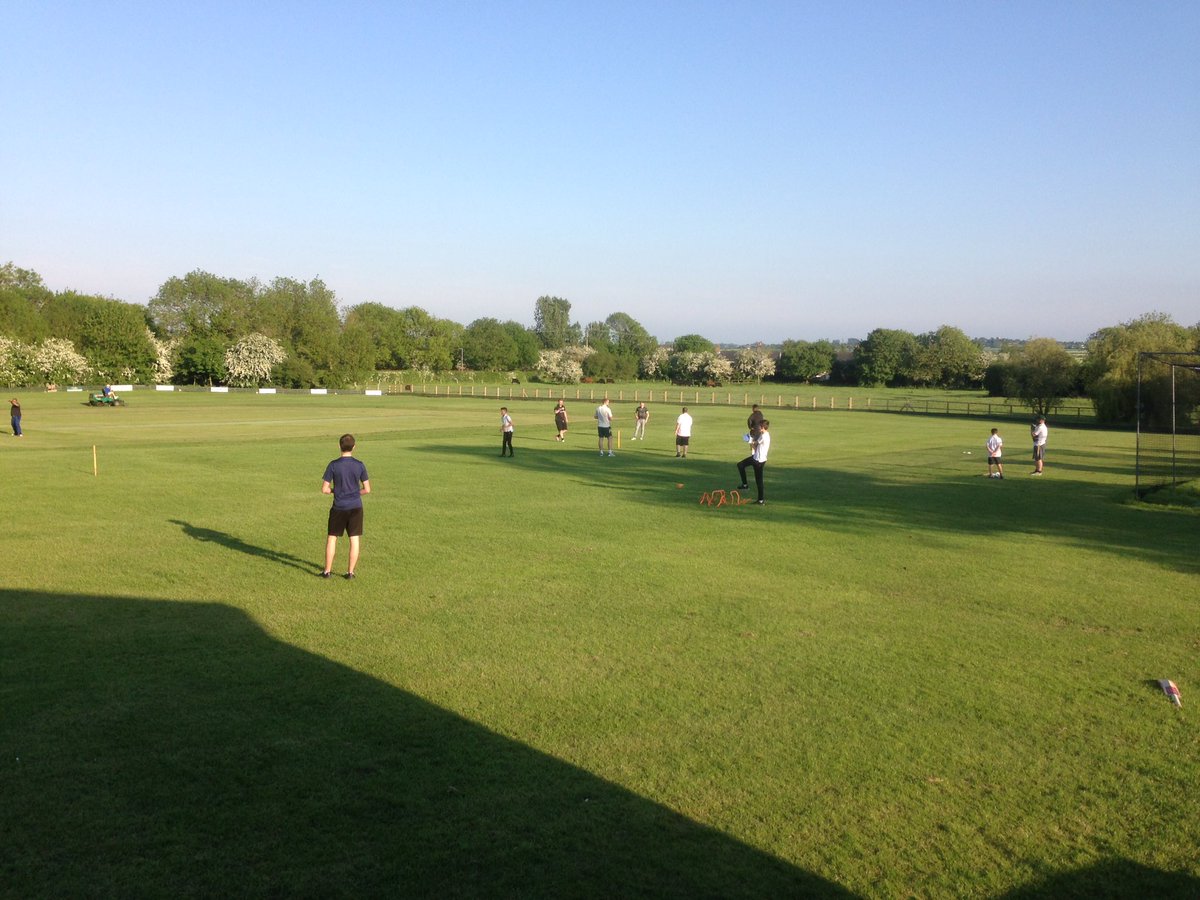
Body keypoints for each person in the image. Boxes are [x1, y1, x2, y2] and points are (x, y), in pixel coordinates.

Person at [320, 433, 371, 579]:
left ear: (339, 446)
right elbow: (367, 489)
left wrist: (336, 491)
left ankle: (327, 571)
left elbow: (324, 489)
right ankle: (350, 573)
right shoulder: (359, 465)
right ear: (354, 447)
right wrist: (354, 493)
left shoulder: (333, 465)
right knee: (354, 539)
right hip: (356, 507)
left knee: (332, 538)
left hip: (339, 507)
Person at [737, 419, 771, 504]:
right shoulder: (766, 434)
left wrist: (749, 440)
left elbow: (754, 444)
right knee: (741, 465)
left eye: (759, 426)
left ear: (762, 427)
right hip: (758, 458)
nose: (758, 427)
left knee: (758, 480)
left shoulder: (764, 436)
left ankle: (746, 487)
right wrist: (751, 441)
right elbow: (756, 447)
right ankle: (760, 499)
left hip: (758, 460)